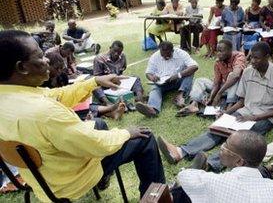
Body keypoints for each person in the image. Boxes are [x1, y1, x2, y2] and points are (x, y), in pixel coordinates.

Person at [0, 30, 165, 201]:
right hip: (71, 180)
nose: (47, 60)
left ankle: (104, 177)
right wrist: (126, 133)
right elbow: (95, 144)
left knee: (99, 123)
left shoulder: (12, 96)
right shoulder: (45, 113)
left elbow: (57, 95)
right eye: (40, 56)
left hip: (41, 179)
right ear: (21, 67)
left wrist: (94, 82)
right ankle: (156, 198)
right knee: (145, 138)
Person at [157, 42, 273, 172]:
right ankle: (180, 152)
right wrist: (226, 113)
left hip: (266, 117)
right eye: (251, 57)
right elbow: (241, 101)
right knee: (218, 129)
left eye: (256, 58)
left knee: (240, 141)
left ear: (267, 57)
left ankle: (209, 164)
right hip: (245, 112)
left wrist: (256, 117)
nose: (252, 61)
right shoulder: (247, 72)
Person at [174, 130, 273, 203]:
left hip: (198, 180)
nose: (221, 147)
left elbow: (183, 176)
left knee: (181, 192)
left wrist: (195, 171)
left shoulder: (216, 181)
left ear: (239, 161)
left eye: (226, 146)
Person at [43, 52, 126, 120]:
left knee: (85, 103)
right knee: (73, 110)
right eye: (56, 68)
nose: (59, 71)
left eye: (61, 68)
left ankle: (111, 112)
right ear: (47, 66)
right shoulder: (42, 82)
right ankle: (110, 110)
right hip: (56, 108)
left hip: (67, 102)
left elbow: (67, 93)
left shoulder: (62, 76)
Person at [178, 39, 246, 115]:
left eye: (221, 51)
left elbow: (236, 75)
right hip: (225, 86)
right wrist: (211, 98)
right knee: (200, 80)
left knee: (232, 76)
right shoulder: (218, 62)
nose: (218, 54)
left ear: (230, 50)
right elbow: (217, 83)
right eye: (217, 51)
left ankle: (229, 106)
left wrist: (219, 94)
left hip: (238, 88)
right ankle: (194, 104)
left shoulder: (239, 56)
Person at [136, 41, 198, 117]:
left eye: (168, 55)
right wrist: (152, 77)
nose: (165, 57)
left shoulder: (181, 53)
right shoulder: (155, 57)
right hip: (162, 83)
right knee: (155, 88)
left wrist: (177, 75)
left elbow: (194, 67)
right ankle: (152, 109)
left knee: (189, 73)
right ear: (160, 51)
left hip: (179, 81)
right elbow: (148, 73)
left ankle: (180, 96)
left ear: (173, 50)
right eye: (163, 55)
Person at [92, 41, 144, 105]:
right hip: (105, 84)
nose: (116, 54)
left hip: (118, 82)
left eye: (119, 52)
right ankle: (107, 102)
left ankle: (139, 97)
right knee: (94, 86)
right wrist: (110, 81)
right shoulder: (99, 59)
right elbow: (97, 78)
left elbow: (122, 69)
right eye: (114, 51)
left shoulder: (122, 56)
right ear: (110, 48)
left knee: (135, 78)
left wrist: (119, 80)